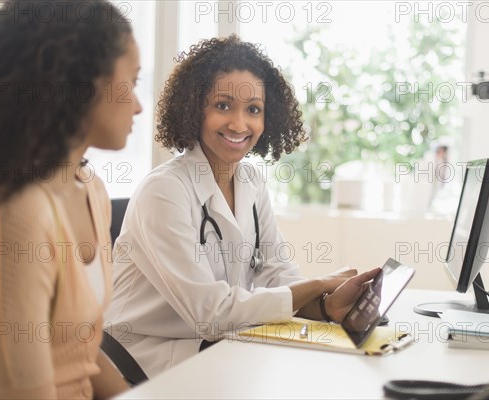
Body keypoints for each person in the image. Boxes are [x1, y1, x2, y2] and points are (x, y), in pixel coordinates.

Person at [105, 35, 380, 377]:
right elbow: (212, 314)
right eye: (223, 106)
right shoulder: (164, 191)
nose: (239, 124)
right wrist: (319, 284)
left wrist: (326, 305)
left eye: (253, 109)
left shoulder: (250, 181)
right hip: (141, 362)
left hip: (215, 348)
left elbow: (277, 275)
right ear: (194, 108)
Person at [0, 0, 142, 398]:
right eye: (133, 82)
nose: (139, 105)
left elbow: (82, 355)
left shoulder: (92, 191)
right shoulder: (20, 212)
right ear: (83, 82)